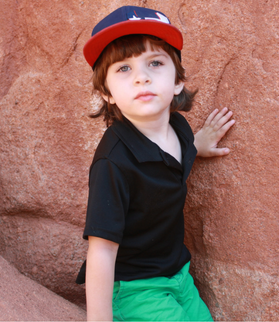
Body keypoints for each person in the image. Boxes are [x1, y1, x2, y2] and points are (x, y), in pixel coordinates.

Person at [76, 5, 235, 321]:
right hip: (135, 288)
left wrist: (198, 146)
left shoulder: (179, 130)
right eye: (124, 69)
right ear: (106, 92)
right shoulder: (114, 162)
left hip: (179, 276)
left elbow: (179, 156)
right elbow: (102, 252)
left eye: (155, 63)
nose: (142, 78)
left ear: (177, 82)